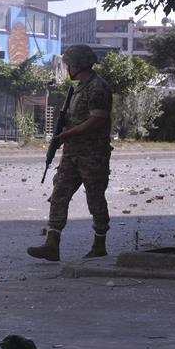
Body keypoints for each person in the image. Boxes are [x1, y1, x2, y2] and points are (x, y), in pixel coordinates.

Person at [28, 44, 112, 261]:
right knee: (59, 195)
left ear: (77, 65)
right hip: (72, 153)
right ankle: (52, 244)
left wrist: (68, 133)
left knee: (95, 198)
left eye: (68, 64)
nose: (66, 68)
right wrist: (64, 132)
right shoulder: (79, 88)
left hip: (92, 154)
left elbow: (97, 119)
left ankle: (99, 244)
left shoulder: (97, 87)